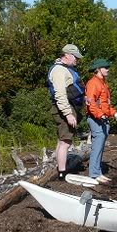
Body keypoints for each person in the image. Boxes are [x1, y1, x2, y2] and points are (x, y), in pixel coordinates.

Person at [47, 43, 85, 180]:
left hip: (69, 107)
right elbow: (60, 94)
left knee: (62, 140)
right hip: (64, 108)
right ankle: (63, 173)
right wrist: (68, 114)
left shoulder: (65, 69)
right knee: (65, 141)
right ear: (67, 55)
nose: (77, 60)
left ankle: (61, 168)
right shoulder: (59, 70)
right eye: (75, 57)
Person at [85, 58, 117, 183]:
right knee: (97, 147)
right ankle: (94, 174)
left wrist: (114, 113)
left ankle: (97, 172)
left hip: (103, 120)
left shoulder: (103, 83)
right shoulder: (93, 83)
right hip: (95, 119)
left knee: (100, 147)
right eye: (105, 67)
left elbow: (106, 104)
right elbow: (91, 104)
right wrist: (100, 115)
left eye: (108, 67)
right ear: (98, 69)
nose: (108, 69)